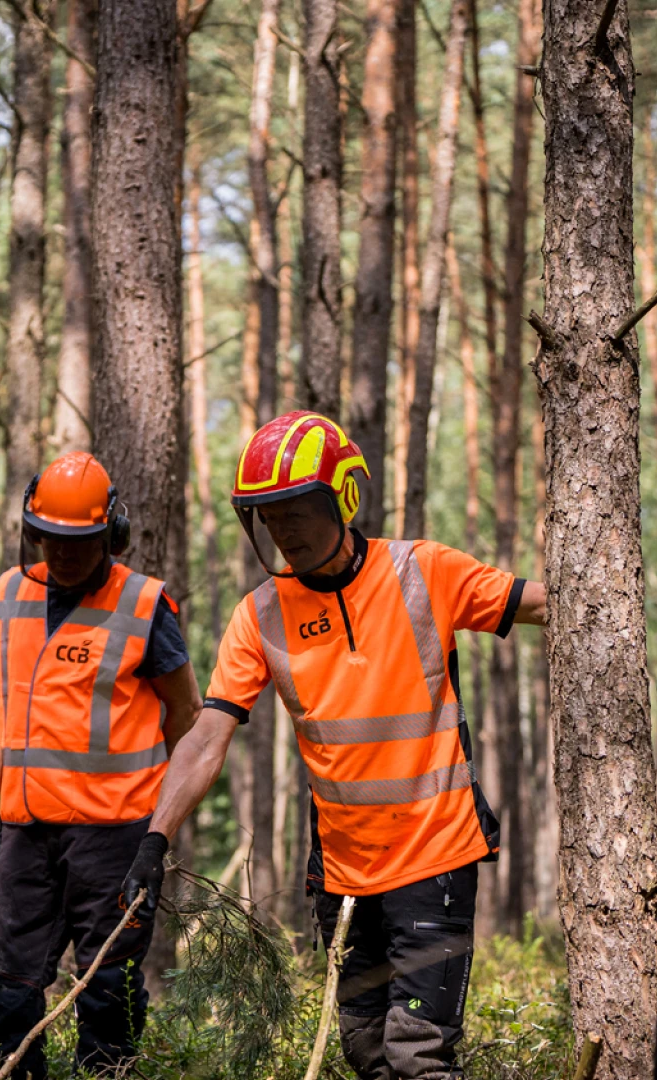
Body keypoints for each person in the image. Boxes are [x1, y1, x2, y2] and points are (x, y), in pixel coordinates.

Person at [116, 412, 547, 1080]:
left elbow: (542, 602)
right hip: (344, 875)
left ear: (342, 499)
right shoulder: (259, 614)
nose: (283, 531)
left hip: (435, 857)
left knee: (419, 1055)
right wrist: (155, 838)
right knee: (367, 1051)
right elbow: (206, 736)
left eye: (296, 512)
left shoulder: (422, 570)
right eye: (269, 517)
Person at [0, 452, 203, 1079]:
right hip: (25, 827)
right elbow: (6, 695)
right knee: (3, 986)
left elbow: (188, 714)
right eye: (51, 539)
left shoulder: (143, 605)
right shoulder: (11, 592)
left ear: (112, 533)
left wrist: (161, 831)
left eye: (81, 541)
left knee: (107, 994)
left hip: (116, 835)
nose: (65, 554)